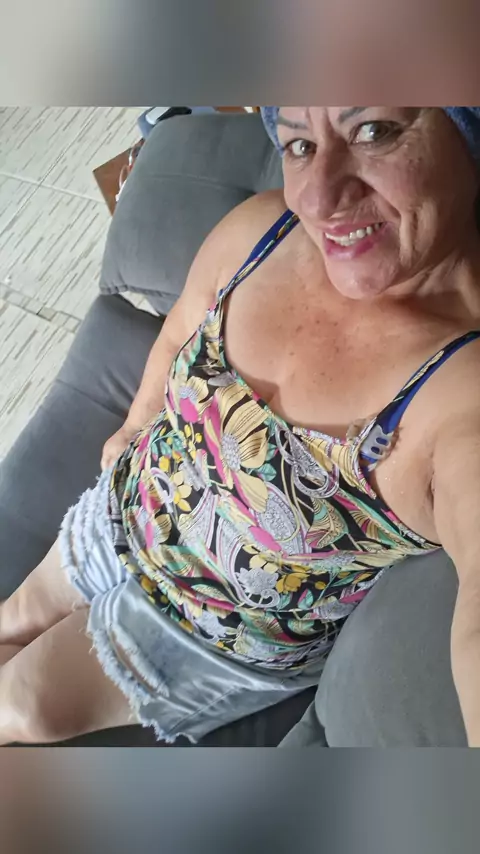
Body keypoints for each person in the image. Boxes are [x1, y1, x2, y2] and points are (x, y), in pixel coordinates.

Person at [1, 106, 480, 747]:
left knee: (23, 703)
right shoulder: (262, 229)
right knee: (14, 617)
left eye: (374, 131)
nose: (319, 198)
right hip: (130, 508)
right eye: (300, 145)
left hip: (208, 631)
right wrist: (138, 421)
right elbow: (180, 330)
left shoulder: (462, 393)